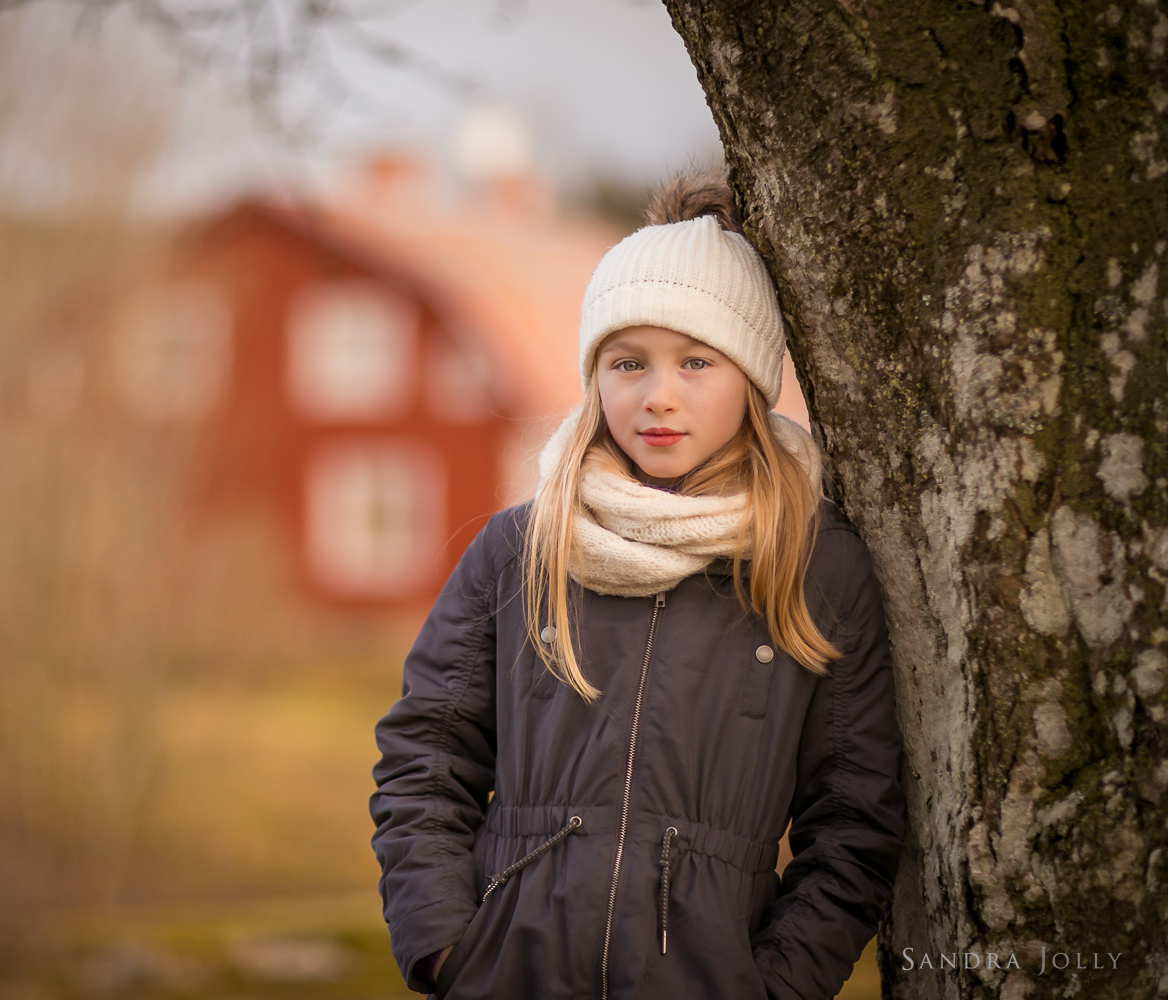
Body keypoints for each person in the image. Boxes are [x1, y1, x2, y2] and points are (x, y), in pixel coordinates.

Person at [368, 172, 907, 1000]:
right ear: (595, 376)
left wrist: (772, 987)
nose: (658, 395)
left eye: (696, 361)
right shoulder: (522, 551)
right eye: (628, 362)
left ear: (752, 379)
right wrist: (447, 948)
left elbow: (853, 821)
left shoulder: (811, 562)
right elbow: (424, 760)